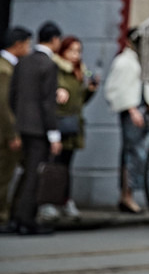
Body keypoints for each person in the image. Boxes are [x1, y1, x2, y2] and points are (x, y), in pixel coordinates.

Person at [9, 22, 63, 235]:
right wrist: (54, 134)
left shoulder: (24, 62)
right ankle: (27, 218)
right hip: (39, 127)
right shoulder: (48, 65)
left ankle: (15, 214)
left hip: (21, 124)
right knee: (34, 174)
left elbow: (12, 96)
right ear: (55, 40)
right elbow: (47, 102)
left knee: (24, 172)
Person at [42, 36, 98, 223]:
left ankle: (65, 201)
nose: (75, 55)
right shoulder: (56, 69)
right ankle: (48, 203)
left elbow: (79, 101)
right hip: (58, 124)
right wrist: (58, 92)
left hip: (73, 124)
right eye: (71, 51)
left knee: (66, 166)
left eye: (78, 51)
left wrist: (90, 90)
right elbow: (49, 94)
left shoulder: (79, 72)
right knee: (53, 164)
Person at [104, 28, 149, 215]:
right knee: (132, 153)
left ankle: (128, 194)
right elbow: (117, 89)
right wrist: (132, 109)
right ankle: (127, 195)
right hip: (132, 112)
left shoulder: (140, 60)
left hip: (141, 111)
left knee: (136, 152)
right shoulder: (124, 62)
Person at [0, 26, 33, 232]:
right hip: (4, 134)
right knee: (4, 175)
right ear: (18, 44)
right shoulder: (5, 69)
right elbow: (3, 104)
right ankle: (3, 215)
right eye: (27, 44)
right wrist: (12, 134)